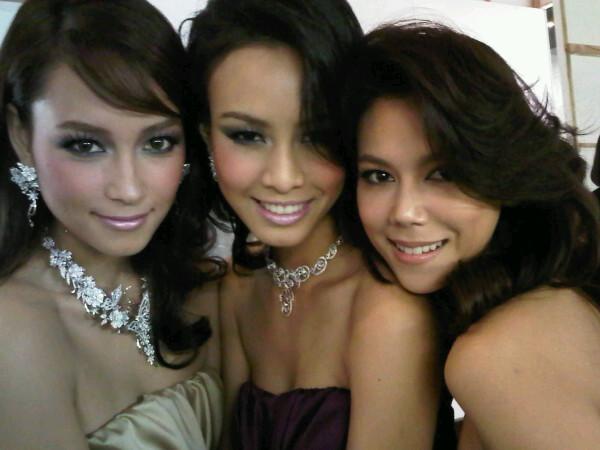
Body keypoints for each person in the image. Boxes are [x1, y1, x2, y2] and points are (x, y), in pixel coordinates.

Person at [187, 1, 456, 449]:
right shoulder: (239, 289)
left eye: (316, 136)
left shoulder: (389, 315)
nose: (283, 177)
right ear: (206, 136)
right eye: (247, 135)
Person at [341, 21, 600, 449]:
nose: (404, 212)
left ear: (501, 170)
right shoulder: (551, 294)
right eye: (379, 175)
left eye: (442, 174)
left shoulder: (494, 355)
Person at [0, 0, 225, 448]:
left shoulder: (201, 284)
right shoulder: (13, 330)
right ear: (22, 136)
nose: (128, 189)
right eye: (86, 145)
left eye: (157, 142)